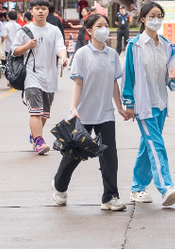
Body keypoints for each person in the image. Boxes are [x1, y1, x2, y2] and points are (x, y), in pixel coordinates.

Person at [52, 13, 129, 211]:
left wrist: (118, 106)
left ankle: (110, 196)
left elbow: (114, 83)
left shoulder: (112, 54)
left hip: (105, 112)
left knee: (109, 154)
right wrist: (74, 108)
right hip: (84, 112)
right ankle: (59, 186)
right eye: (99, 26)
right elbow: (78, 83)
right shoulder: (82, 54)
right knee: (75, 154)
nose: (104, 29)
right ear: (89, 31)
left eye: (106, 25)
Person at [121, 1, 175, 207]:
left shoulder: (167, 45)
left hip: (160, 104)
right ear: (143, 19)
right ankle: (166, 187)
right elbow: (128, 77)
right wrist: (128, 103)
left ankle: (137, 187)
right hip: (143, 105)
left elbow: (171, 81)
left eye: (159, 15)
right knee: (156, 145)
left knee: (147, 145)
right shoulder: (135, 46)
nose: (156, 19)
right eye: (152, 15)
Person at [11, 0, 68, 156]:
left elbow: (60, 47)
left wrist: (63, 57)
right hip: (31, 76)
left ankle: (35, 133)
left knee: (44, 114)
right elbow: (14, 51)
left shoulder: (54, 30)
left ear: (48, 11)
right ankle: (38, 141)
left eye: (43, 9)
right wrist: (27, 46)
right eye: (37, 8)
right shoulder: (25, 30)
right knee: (35, 111)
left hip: (50, 77)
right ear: (31, 11)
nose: (41, 11)